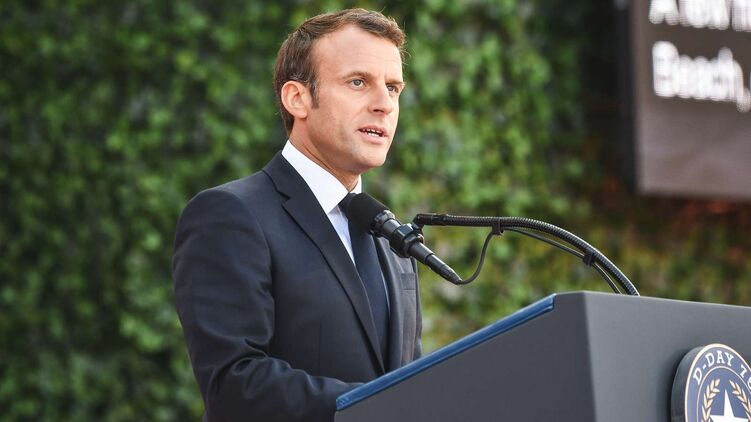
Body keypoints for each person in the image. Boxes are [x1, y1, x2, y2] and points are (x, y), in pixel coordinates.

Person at [172, 9, 421, 422]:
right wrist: (376, 408)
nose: (383, 105)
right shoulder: (229, 215)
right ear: (297, 99)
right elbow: (234, 383)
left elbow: (408, 380)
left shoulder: (390, 237)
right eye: (358, 82)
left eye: (393, 88)